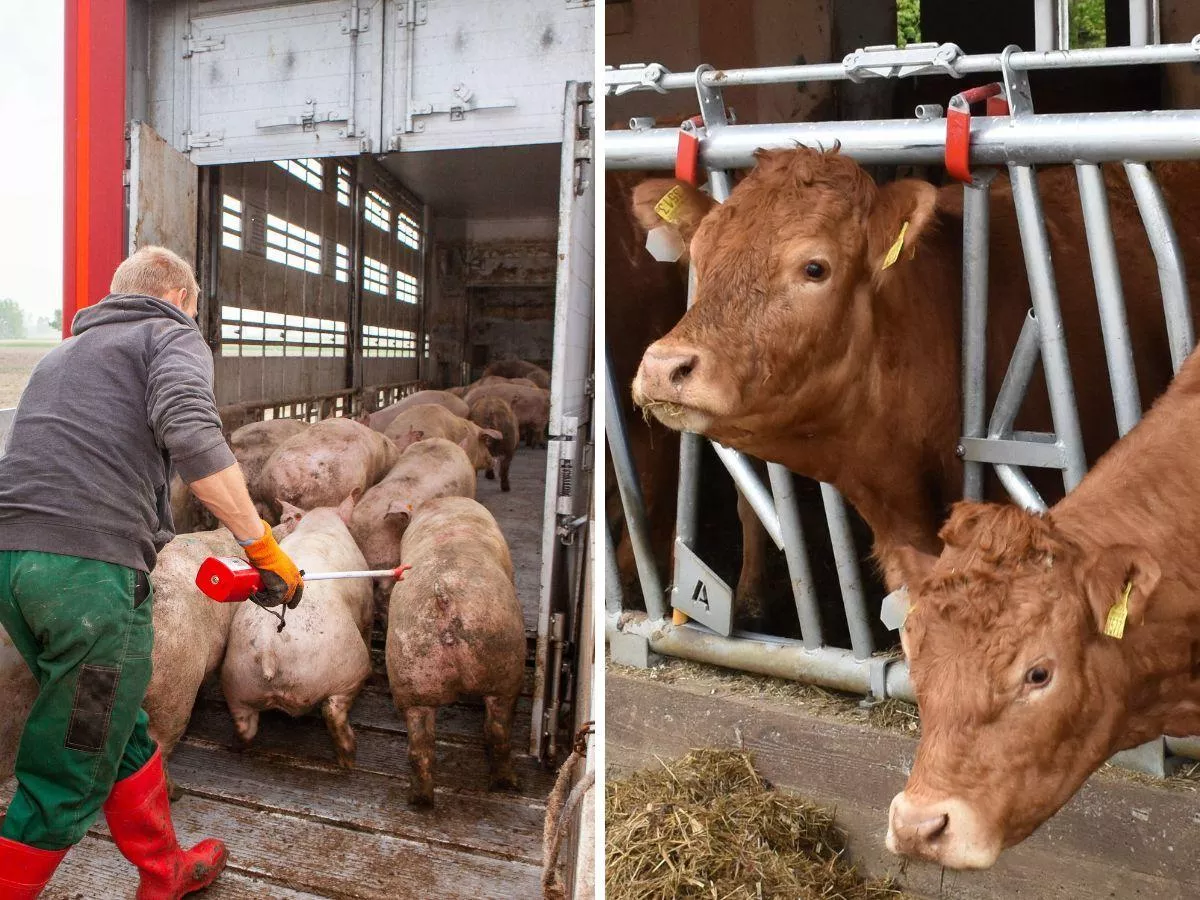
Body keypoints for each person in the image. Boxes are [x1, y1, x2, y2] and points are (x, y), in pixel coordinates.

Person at [0, 246, 304, 899]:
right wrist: (261, 547)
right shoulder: (168, 333)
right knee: (70, 761)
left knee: (114, 720)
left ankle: (164, 867)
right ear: (181, 299)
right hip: (88, 580)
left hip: (16, 570)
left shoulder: (61, 356)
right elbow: (193, 434)